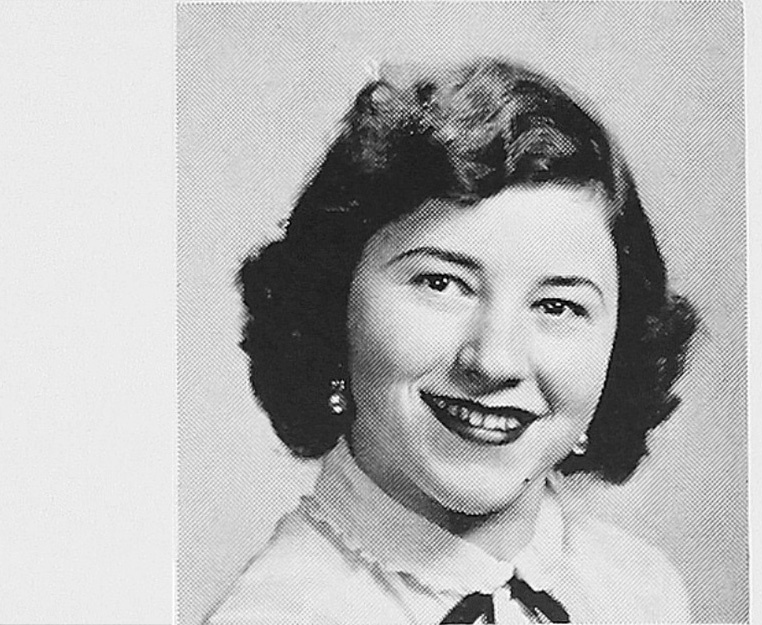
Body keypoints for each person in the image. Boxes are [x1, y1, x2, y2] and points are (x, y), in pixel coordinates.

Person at [206, 57, 698, 624]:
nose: (493, 360)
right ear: (331, 306)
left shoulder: (641, 591)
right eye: (442, 283)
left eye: (558, 305)